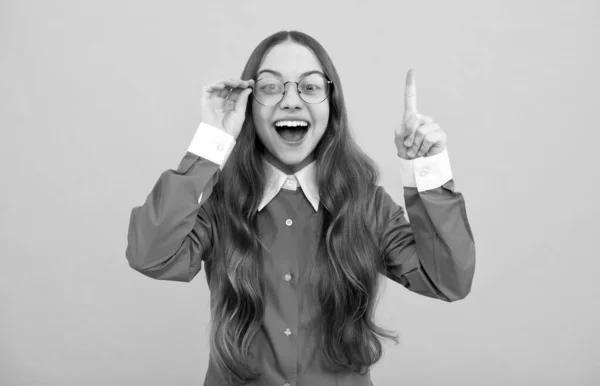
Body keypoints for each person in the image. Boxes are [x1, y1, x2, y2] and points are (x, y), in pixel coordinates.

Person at [126, 30, 476, 386]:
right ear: (249, 104)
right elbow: (151, 255)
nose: (291, 101)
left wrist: (427, 172)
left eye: (309, 87)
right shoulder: (219, 203)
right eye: (271, 87)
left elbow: (447, 281)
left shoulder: (366, 205)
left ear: (331, 105)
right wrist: (211, 141)